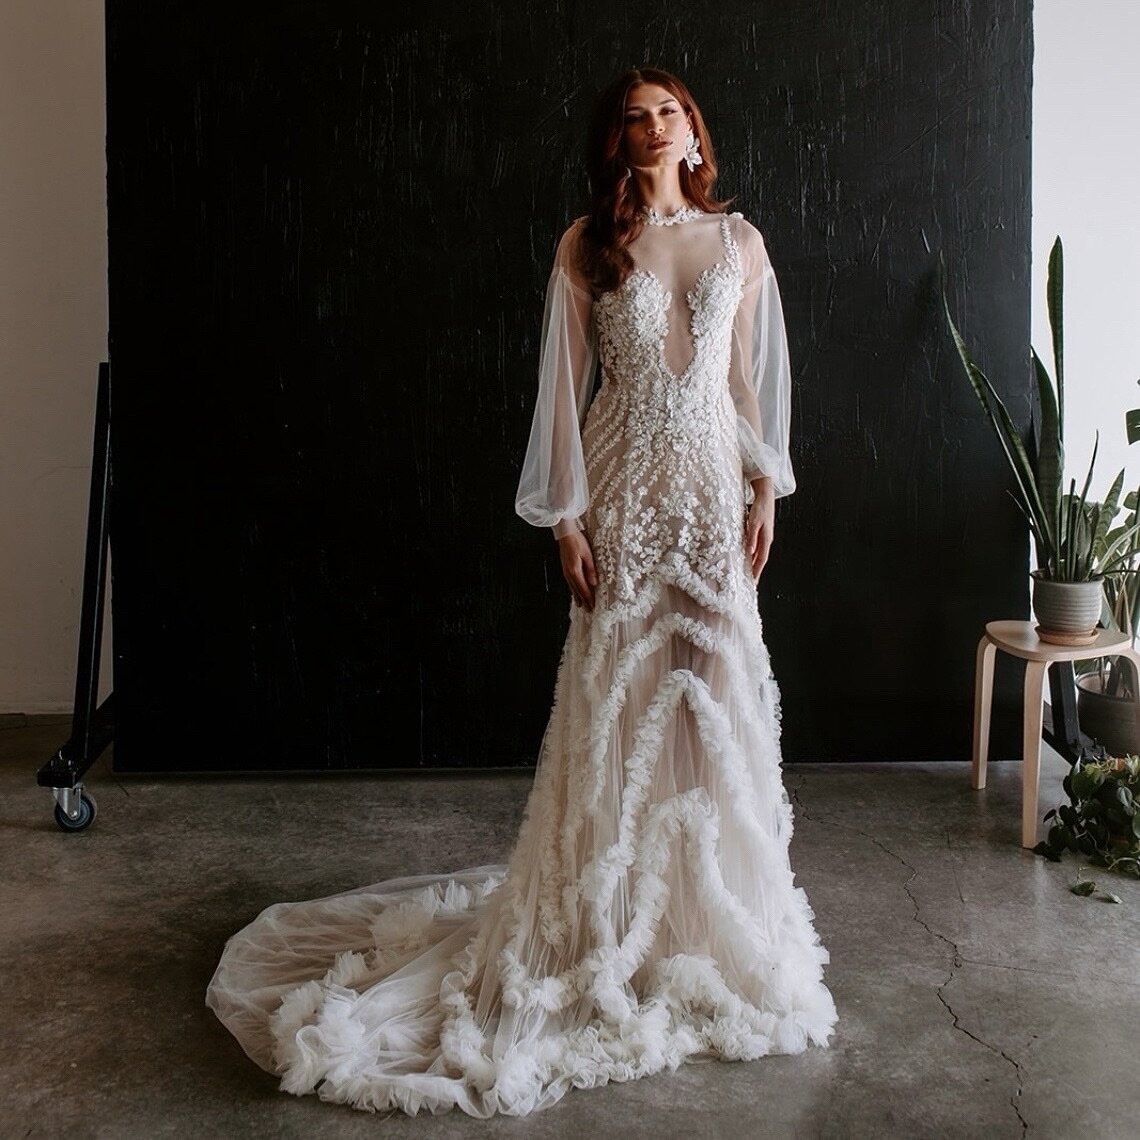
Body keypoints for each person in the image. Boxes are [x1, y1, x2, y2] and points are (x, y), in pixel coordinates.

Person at [205, 65, 837, 1119]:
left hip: (711, 500)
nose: (649, 128)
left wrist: (767, 490)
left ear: (694, 134)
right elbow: (560, 397)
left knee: (720, 701)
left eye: (665, 113)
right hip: (628, 496)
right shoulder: (588, 248)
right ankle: (603, 928)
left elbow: (754, 382)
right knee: (620, 707)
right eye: (631, 119)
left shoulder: (741, 244)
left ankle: (712, 927)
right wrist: (568, 524)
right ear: (615, 143)